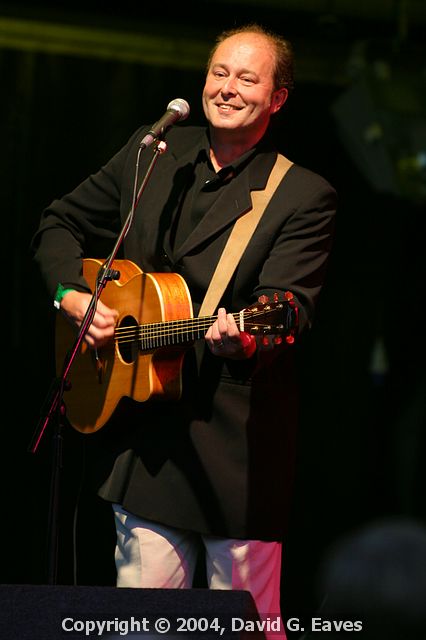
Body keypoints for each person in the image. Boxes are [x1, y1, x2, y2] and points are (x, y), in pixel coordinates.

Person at [32, 23, 337, 639]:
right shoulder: (153, 152)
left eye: (247, 78)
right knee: (142, 628)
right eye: (218, 73)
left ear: (277, 98)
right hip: (146, 444)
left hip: (236, 455)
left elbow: (290, 308)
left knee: (242, 629)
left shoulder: (300, 194)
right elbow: (60, 222)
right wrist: (73, 295)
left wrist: (247, 337)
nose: (226, 88)